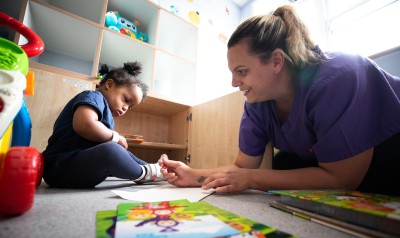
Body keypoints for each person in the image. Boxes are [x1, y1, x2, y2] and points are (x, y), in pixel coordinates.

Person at [161, 5, 400, 196]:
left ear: (276, 61)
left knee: (281, 169)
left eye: (242, 71)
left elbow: (344, 179)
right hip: (337, 164)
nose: (234, 83)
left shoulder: (338, 75)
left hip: (388, 150)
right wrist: (194, 175)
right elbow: (244, 168)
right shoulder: (257, 103)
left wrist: (252, 179)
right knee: (284, 164)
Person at [42, 62, 167, 188]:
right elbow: (84, 124)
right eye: (126, 100)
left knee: (122, 153)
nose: (125, 108)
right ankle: (145, 174)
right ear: (109, 85)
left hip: (77, 166)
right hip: (60, 165)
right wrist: (116, 137)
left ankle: (154, 169)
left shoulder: (106, 115)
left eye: (129, 107)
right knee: (112, 151)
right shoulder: (93, 96)